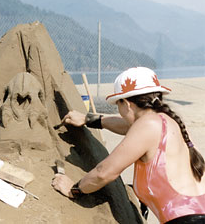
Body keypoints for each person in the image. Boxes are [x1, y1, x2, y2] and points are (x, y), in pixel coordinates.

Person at [52, 67, 205, 223]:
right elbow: (127, 126)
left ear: (126, 103)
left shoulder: (147, 126)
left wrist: (74, 189)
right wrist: (89, 119)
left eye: (118, 105)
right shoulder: (167, 123)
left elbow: (104, 172)